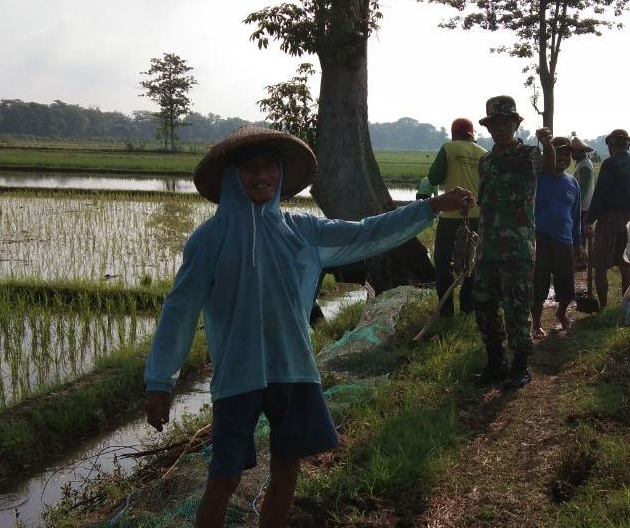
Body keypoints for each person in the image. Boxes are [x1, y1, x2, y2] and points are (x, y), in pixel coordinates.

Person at [143, 126, 473, 528]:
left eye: (270, 166)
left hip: (293, 369)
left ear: (281, 174)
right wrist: (160, 382)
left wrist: (430, 207)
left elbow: (365, 231)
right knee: (225, 475)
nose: (261, 175)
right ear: (232, 175)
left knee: (287, 467)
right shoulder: (209, 240)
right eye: (250, 168)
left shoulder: (303, 231)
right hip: (236, 375)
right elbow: (179, 310)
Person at [473, 95, 554, 390]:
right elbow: (485, 201)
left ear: (516, 124)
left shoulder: (528, 155)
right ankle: (496, 362)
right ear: (488, 127)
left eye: (505, 122)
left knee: (516, 308)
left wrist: (548, 144)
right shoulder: (485, 161)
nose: (500, 128)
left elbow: (548, 167)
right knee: (484, 306)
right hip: (487, 249)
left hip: (518, 249)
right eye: (494, 123)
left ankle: (520, 367)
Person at [427, 117, 487, 315]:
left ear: (453, 134)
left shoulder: (449, 147)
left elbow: (433, 178)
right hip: (477, 216)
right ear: (472, 135)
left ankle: (446, 311)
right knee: (472, 263)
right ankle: (467, 308)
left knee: (443, 263)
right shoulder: (483, 153)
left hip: (451, 215)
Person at [584, 128, 630, 308]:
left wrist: (589, 220)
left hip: (610, 218)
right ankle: (625, 308)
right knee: (627, 267)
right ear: (628, 144)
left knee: (600, 265)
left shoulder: (609, 164)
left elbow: (600, 195)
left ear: (610, 145)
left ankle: (603, 306)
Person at [532, 136, 583, 338]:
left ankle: (561, 313)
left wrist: (578, 243)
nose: (563, 158)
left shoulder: (572, 183)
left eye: (567, 154)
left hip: (565, 241)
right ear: (549, 155)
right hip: (540, 239)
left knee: (566, 284)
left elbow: (576, 216)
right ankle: (536, 324)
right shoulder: (537, 179)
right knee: (539, 284)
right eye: (559, 153)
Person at [570, 136, 595, 265]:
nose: (572, 155)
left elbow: (583, 189)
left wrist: (576, 204)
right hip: (583, 205)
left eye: (573, 152)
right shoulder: (582, 163)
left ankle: (581, 260)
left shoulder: (584, 165)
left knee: (580, 234)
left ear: (580, 152)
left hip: (583, 206)